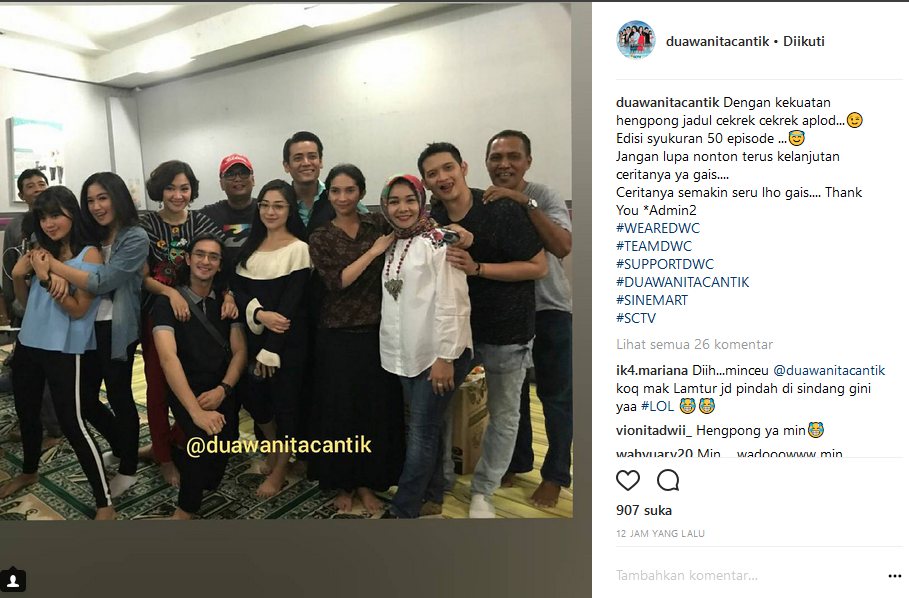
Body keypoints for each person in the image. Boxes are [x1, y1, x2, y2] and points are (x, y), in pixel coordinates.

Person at [421, 142, 547, 518]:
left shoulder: (500, 208)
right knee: (439, 409)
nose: (442, 177)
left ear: (463, 167)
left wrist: (478, 268)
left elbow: (538, 266)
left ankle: (483, 492)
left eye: (448, 168)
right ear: (426, 183)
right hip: (456, 333)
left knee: (504, 414)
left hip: (507, 329)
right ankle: (441, 481)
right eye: (432, 173)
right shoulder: (432, 220)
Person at [0, 186, 113, 519]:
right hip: (29, 343)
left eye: (55, 215)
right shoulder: (40, 251)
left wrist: (48, 278)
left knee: (73, 424)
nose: (49, 224)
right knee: (27, 412)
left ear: (72, 213)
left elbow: (78, 310)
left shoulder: (90, 255)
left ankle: (105, 502)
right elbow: (25, 302)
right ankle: (29, 471)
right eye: (43, 217)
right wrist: (21, 275)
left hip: (64, 349)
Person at [36, 172, 150, 499]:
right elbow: (57, 250)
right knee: (84, 398)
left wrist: (53, 268)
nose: (97, 206)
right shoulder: (92, 233)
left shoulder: (135, 237)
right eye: (90, 200)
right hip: (84, 325)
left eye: (103, 198)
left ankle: (128, 468)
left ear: (118, 197)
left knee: (119, 395)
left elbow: (101, 282)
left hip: (117, 327)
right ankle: (122, 445)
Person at [308, 163, 405, 515]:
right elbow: (337, 282)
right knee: (340, 414)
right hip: (336, 336)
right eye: (335, 191)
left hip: (377, 333)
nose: (343, 197)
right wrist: (373, 252)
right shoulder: (321, 236)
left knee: (374, 413)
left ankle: (368, 482)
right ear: (328, 195)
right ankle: (343, 482)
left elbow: (414, 225)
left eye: (350, 190)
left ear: (362, 192)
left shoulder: (377, 224)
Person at [484, 130, 573, 508]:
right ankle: (516, 461)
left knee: (556, 396)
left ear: (527, 162)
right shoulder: (485, 201)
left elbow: (562, 246)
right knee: (511, 398)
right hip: (506, 315)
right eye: (496, 157)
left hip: (549, 309)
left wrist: (524, 202)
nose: (504, 164)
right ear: (486, 162)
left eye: (513, 157)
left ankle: (555, 475)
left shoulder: (543, 196)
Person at [376, 174, 473, 519]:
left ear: (422, 202)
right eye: (394, 201)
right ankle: (433, 494)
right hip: (408, 353)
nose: (402, 208)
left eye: (409, 200)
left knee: (420, 433)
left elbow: (453, 302)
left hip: (438, 354)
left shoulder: (438, 240)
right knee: (427, 427)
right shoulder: (393, 241)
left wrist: (445, 357)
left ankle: (403, 510)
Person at [138, 160, 233, 487]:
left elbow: (220, 264)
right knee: (158, 388)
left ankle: (180, 440)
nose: (177, 195)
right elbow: (142, 277)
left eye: (184, 188)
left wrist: (229, 294)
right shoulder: (146, 225)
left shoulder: (204, 222)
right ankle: (163, 456)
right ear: (159, 190)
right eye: (170, 188)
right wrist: (171, 294)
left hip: (199, 317)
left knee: (193, 382)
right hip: (158, 312)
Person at [152, 233, 246, 519]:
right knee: (200, 441)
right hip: (186, 388)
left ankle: (175, 454)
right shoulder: (167, 303)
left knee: (215, 466)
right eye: (200, 254)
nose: (206, 261)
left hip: (221, 387)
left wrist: (223, 389)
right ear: (188, 259)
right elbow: (168, 358)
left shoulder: (228, 304)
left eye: (213, 257)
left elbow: (240, 352)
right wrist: (195, 412)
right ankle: (185, 511)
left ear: (220, 265)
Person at [231, 180, 311, 497]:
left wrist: (271, 349)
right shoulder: (250, 246)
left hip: (287, 344)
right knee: (255, 398)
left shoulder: (299, 249)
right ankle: (275, 448)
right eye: (265, 205)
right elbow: (238, 290)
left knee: (287, 405)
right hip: (253, 339)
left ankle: (279, 471)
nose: (270, 211)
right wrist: (259, 313)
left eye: (278, 205)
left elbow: (291, 305)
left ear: (290, 210)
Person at [1, 169, 61, 444]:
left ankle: (54, 427)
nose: (37, 188)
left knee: (51, 370)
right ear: (21, 194)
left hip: (56, 304)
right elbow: (9, 268)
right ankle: (37, 421)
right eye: (30, 186)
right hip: (25, 306)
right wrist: (11, 305)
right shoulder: (15, 227)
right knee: (27, 370)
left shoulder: (61, 221)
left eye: (41, 183)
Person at [281, 131, 368, 240]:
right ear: (286, 166)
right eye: (298, 158)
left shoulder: (339, 197)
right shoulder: (280, 202)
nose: (306, 163)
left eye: (312, 156)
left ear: (320, 161)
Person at [200, 153, 257, 271]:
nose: (238, 179)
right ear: (221, 184)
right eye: (230, 174)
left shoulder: (266, 209)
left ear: (253, 180)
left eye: (243, 173)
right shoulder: (206, 215)